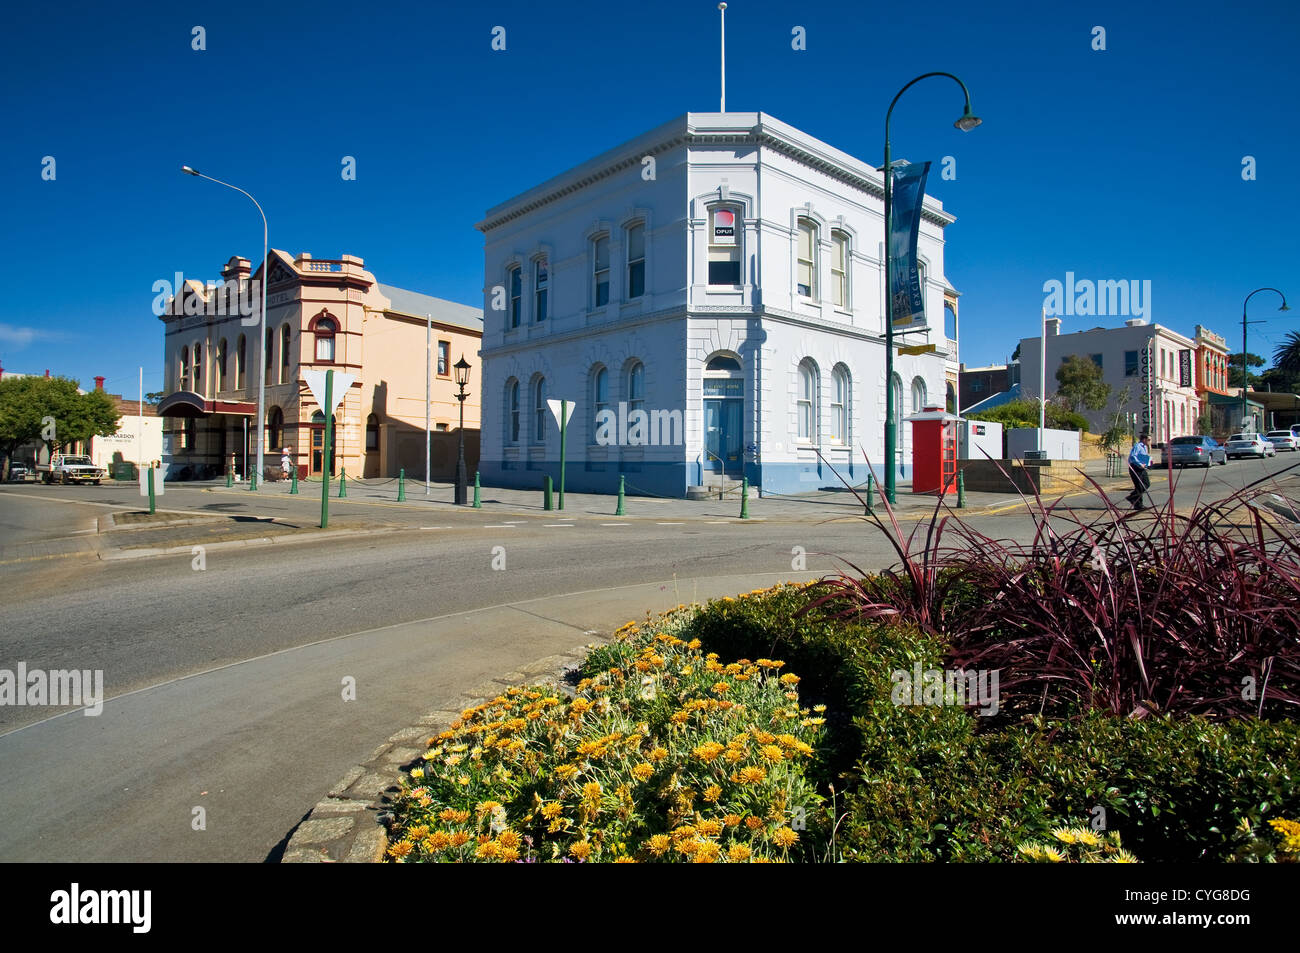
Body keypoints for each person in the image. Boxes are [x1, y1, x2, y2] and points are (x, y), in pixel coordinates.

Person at [1126, 432, 1151, 511]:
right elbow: (1133, 457)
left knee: (1146, 484)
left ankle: (1133, 497)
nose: (1150, 441)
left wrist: (1147, 464)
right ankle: (1138, 505)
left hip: (1141, 468)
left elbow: (1143, 457)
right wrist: (1140, 464)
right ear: (1144, 439)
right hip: (1135, 468)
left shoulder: (1145, 447)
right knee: (1139, 486)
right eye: (1148, 440)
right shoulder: (1137, 446)